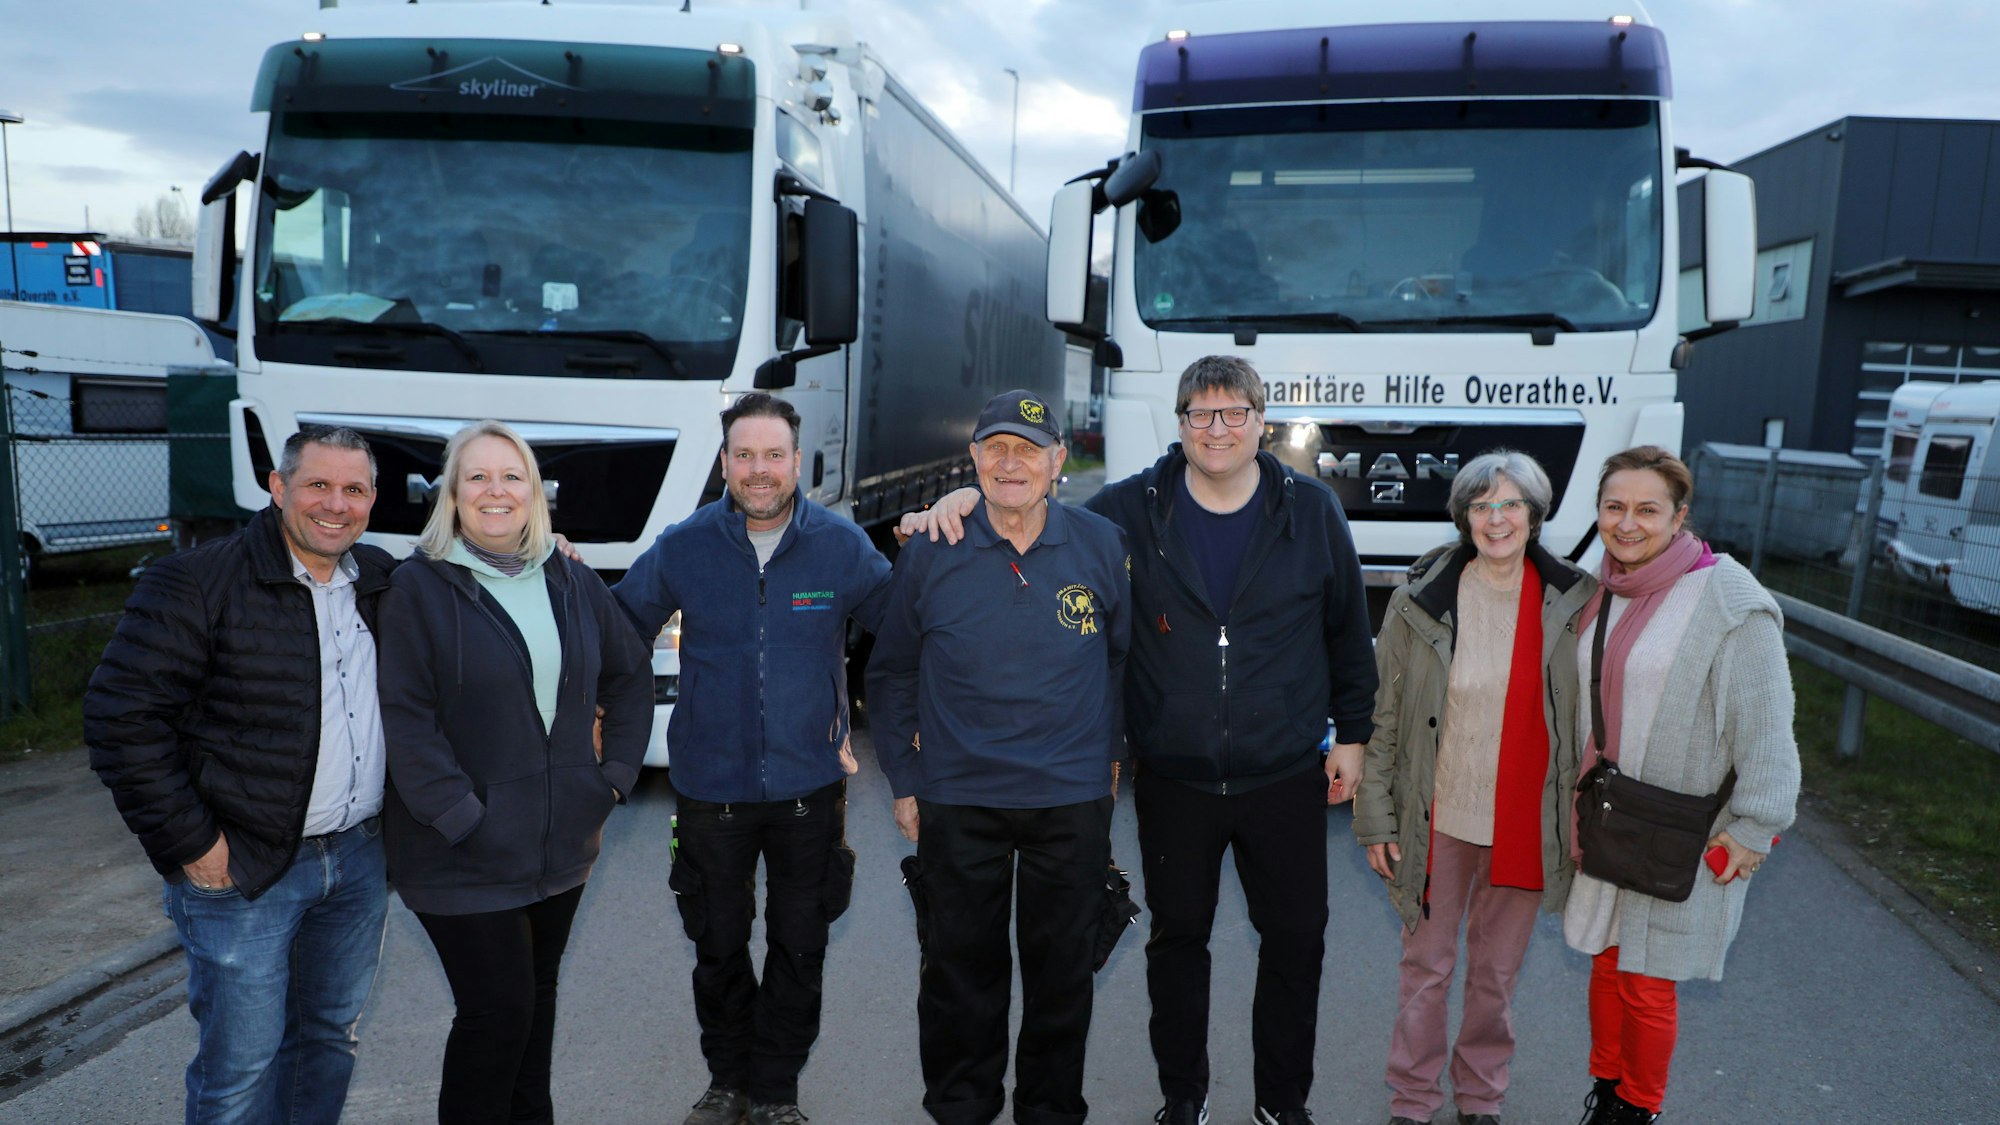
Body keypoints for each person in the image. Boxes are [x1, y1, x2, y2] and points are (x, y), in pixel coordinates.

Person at [901, 357, 1377, 1125]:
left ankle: (1281, 1102)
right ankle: (1182, 1097)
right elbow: (1030, 501)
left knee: (1295, 939)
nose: (1216, 429)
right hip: (1175, 773)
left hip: (1283, 769)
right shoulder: (1128, 509)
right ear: (1180, 422)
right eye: (1200, 413)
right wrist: (961, 498)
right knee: (1177, 940)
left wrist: (1351, 733)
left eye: (1233, 413)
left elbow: (1348, 631)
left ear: (1262, 420)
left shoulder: (1313, 511)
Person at [86, 426, 394, 1125]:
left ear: (373, 500)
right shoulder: (197, 580)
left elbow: (479, 585)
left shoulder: (380, 580)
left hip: (357, 860)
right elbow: (119, 719)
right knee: (240, 1071)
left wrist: (553, 555)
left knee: (327, 1040)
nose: (336, 504)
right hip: (243, 865)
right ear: (278, 486)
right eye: (318, 484)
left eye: (354, 488)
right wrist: (193, 843)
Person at [612, 392, 892, 1125]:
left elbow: (907, 628)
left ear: (798, 461)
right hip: (712, 789)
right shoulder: (685, 546)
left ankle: (775, 1091)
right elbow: (613, 629)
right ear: (726, 461)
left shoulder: (841, 545)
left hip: (809, 790)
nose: (759, 470)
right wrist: (555, 568)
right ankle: (728, 1081)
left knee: (800, 947)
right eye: (744, 455)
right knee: (718, 942)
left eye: (774, 455)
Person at [867, 388, 1130, 1125]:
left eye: (1028, 450)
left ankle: (1049, 1112)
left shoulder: (1102, 545)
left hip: (1070, 799)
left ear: (1057, 462)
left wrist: (1107, 762)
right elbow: (888, 673)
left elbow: (1119, 662)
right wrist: (906, 775)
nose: (1011, 462)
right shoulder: (931, 550)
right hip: (958, 794)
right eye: (997, 448)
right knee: (958, 976)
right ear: (974, 460)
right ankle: (961, 1109)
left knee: (1062, 978)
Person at [378, 419, 651, 1125]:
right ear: (452, 493)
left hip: (560, 849)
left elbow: (630, 675)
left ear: (534, 492)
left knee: (535, 1007)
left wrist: (613, 776)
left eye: (512, 476)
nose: (495, 491)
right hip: (459, 854)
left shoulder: (570, 577)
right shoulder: (419, 588)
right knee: (496, 1014)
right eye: (478, 477)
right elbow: (407, 721)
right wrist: (468, 819)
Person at [1351, 451, 1596, 1125]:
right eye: (1483, 505)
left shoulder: (1574, 602)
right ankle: (1413, 1098)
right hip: (1439, 816)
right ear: (1463, 516)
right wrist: (1377, 818)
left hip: (1524, 819)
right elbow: (1385, 718)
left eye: (1512, 504)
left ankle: (1481, 1097)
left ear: (1535, 515)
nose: (1497, 518)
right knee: (1426, 967)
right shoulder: (1418, 602)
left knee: (1495, 976)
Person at [1562, 446, 1799, 1125]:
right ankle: (1604, 1095)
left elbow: (1768, 728)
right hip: (1611, 810)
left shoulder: (1728, 599)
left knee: (1646, 980)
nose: (1627, 523)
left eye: (1646, 509)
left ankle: (1637, 1109)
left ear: (1679, 516)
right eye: (1614, 507)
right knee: (1608, 960)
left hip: (1680, 824)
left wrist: (1756, 825)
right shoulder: (1604, 585)